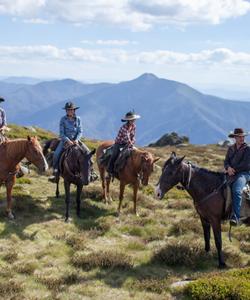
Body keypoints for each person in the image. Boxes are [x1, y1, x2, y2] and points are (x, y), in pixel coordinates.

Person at [49, 101, 89, 182]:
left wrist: (77, 140)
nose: (70, 111)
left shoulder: (78, 119)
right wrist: (68, 141)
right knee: (56, 154)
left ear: (74, 110)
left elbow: (80, 131)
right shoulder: (63, 119)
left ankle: (90, 172)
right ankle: (55, 172)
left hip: (77, 141)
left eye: (71, 110)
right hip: (65, 141)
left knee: (88, 153)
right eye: (68, 110)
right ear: (66, 111)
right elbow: (61, 133)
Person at [224, 128, 250, 226]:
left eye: (243, 136)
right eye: (239, 137)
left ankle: (236, 216)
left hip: (244, 174)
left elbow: (247, 164)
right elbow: (226, 161)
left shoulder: (248, 149)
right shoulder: (231, 148)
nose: (242, 138)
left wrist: (232, 170)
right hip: (230, 172)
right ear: (235, 137)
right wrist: (228, 167)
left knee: (237, 190)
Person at [107, 110, 140, 177]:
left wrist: (132, 142)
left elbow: (133, 136)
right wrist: (130, 143)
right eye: (131, 120)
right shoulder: (124, 127)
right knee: (114, 155)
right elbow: (126, 137)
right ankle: (110, 171)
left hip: (128, 144)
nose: (133, 121)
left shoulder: (134, 126)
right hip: (119, 143)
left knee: (136, 154)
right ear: (128, 120)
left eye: (133, 119)